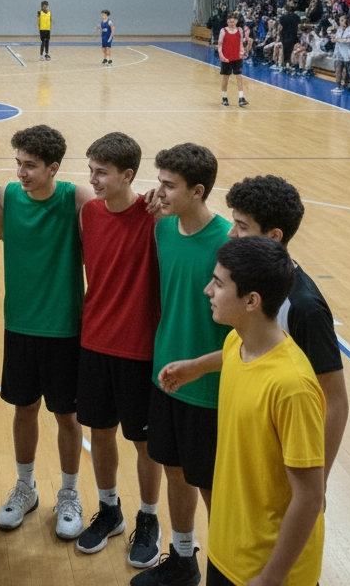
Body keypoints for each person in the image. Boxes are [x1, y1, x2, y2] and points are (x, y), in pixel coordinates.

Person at [160, 174, 348, 489]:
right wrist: (197, 367)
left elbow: (336, 400)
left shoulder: (304, 308)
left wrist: (318, 484)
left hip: (283, 461)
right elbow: (248, 349)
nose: (231, 233)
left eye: (242, 226)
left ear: (273, 236)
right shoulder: (249, 287)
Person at [0, 125, 91, 540]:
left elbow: (116, 216)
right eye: (19, 163)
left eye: (31, 166)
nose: (21, 173)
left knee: (67, 416)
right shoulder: (8, 197)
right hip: (19, 324)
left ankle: (69, 494)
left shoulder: (75, 199)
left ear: (53, 168)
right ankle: (25, 487)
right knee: (23, 409)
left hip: (64, 327)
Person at [131, 143, 231, 586]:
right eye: (160, 182)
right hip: (165, 377)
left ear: (198, 191)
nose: (160, 192)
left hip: (208, 388)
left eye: (169, 186)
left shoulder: (228, 244)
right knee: (173, 469)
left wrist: (203, 367)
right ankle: (184, 558)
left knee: (210, 485)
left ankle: (226, 569)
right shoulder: (163, 230)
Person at [202, 239, 326, 586]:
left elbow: (310, 496)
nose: (208, 290)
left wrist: (271, 577)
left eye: (219, 283)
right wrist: (193, 368)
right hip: (226, 551)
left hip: (268, 572)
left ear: (251, 301)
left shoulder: (292, 387)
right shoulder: (236, 343)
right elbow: (231, 362)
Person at [75, 133, 163, 572]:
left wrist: (161, 201)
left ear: (128, 175)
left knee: (144, 443)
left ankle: (149, 518)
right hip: (94, 342)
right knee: (101, 431)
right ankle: (109, 509)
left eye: (102, 173)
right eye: (91, 170)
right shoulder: (89, 213)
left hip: (139, 349)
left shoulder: (154, 217)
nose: (93, 180)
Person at [217, 12, 248, 106]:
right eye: (230, 22)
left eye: (233, 22)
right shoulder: (223, 31)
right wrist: (222, 56)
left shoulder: (240, 30)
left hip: (237, 57)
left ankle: (241, 97)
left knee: (239, 76)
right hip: (226, 58)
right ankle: (224, 97)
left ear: (236, 21)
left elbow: (241, 43)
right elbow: (219, 45)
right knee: (225, 78)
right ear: (227, 21)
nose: (232, 23)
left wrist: (242, 52)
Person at [277, 4, 300, 72]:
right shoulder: (296, 16)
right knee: (291, 50)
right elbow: (299, 26)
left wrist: (278, 33)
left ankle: (283, 65)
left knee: (284, 51)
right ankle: (290, 65)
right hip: (293, 36)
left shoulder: (283, 17)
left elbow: (280, 27)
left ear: (285, 9)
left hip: (285, 36)